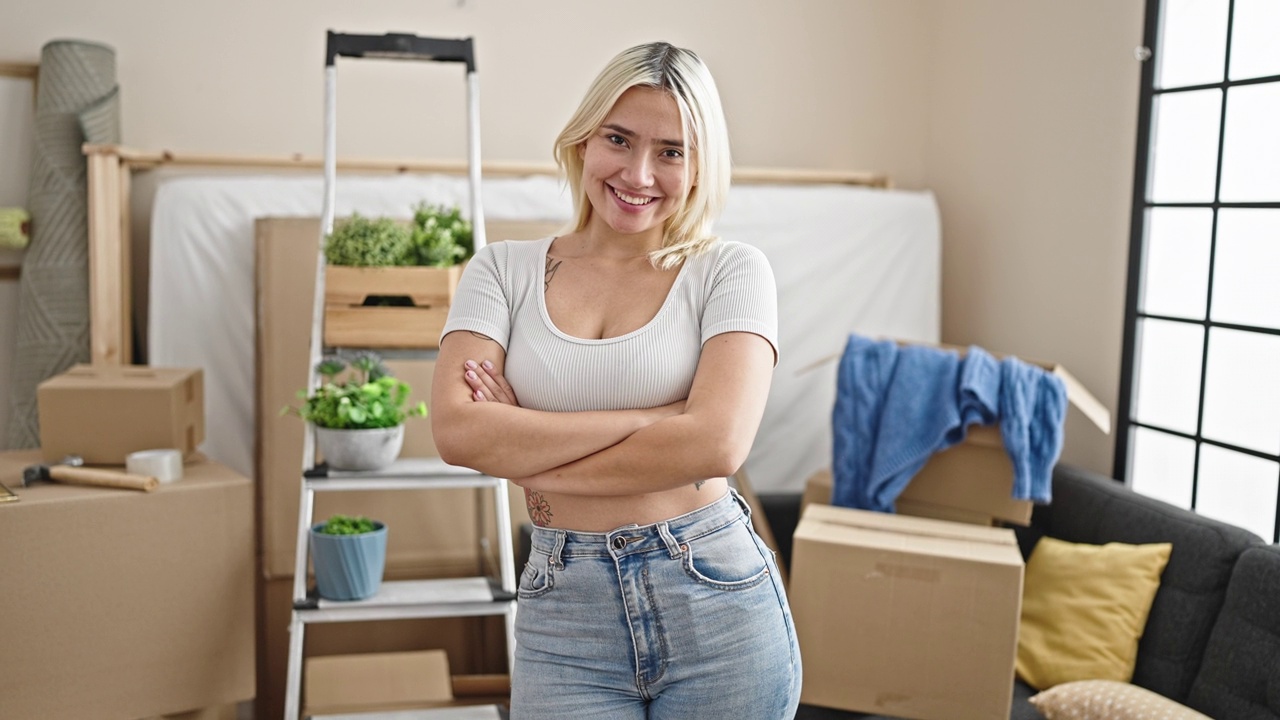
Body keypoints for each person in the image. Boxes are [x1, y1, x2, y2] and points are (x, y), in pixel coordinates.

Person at [431, 41, 801, 719]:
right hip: (563, 611)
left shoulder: (731, 271)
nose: (638, 173)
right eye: (618, 139)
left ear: (700, 165)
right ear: (582, 139)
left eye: (671, 150)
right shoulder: (501, 271)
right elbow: (458, 432)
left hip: (713, 596)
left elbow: (716, 446)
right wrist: (655, 419)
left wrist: (532, 460)